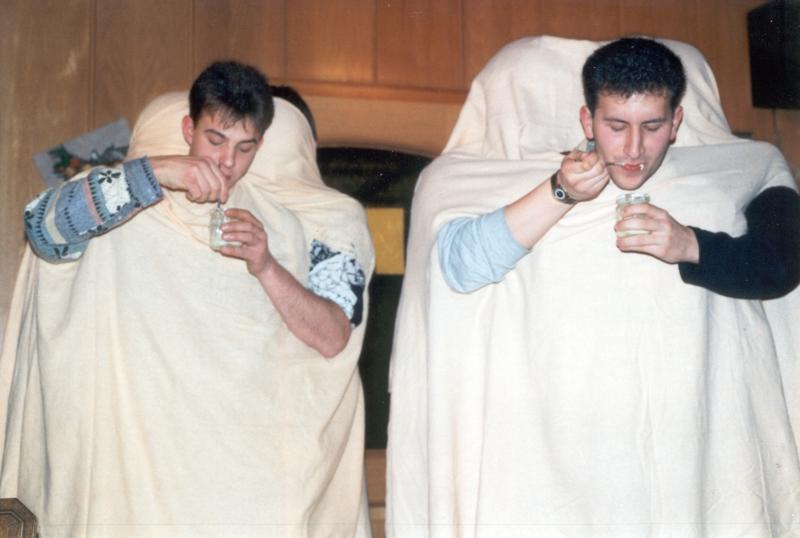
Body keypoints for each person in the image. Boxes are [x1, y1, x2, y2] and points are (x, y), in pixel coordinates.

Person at [386, 36, 800, 537]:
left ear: (677, 121)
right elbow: (460, 267)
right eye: (615, 126)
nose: (633, 149)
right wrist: (559, 192)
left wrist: (692, 244)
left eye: (652, 126)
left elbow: (782, 265)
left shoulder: (739, 169)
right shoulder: (481, 178)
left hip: (686, 445)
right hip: (542, 448)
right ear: (587, 121)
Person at [1, 61, 374, 537]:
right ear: (186, 130)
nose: (226, 163)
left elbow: (329, 338)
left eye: (245, 148)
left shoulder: (300, 224)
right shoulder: (129, 192)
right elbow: (45, 221)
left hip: (242, 484)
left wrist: (266, 264)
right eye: (214, 140)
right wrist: (156, 170)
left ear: (264, 146)